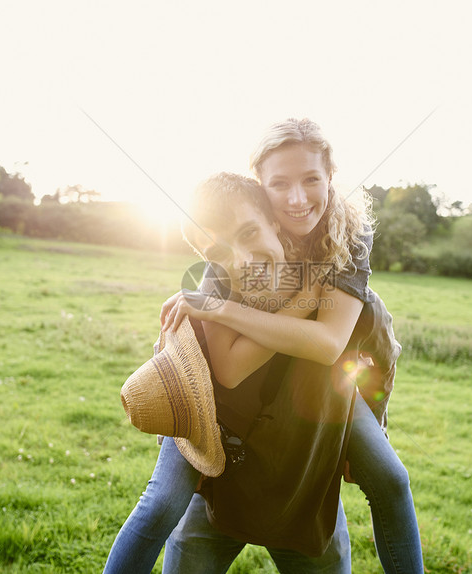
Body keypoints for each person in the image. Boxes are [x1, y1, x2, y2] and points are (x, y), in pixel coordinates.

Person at [162, 119, 423, 573]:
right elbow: (226, 360)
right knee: (164, 501)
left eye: (311, 180)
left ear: (330, 178)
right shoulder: (243, 233)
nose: (298, 199)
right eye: (279, 184)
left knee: (390, 479)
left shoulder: (347, 233)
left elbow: (327, 344)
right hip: (254, 389)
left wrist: (221, 311)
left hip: (328, 374)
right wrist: (208, 298)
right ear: (259, 189)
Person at [103, 174, 357, 573]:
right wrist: (306, 295)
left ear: (275, 220)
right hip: (219, 461)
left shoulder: (326, 268)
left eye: (250, 232)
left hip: (298, 485)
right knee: (161, 505)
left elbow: (336, 345)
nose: (242, 259)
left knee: (390, 480)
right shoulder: (214, 283)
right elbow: (231, 369)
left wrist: (310, 289)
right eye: (219, 252)